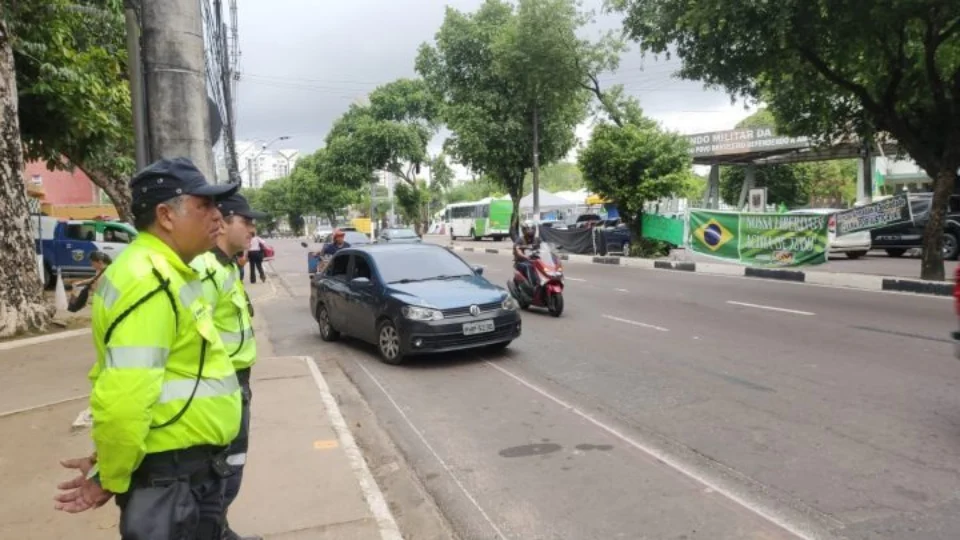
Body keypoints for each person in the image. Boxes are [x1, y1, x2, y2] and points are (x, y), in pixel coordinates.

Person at [54, 157, 242, 540]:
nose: (217, 218)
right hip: (170, 480)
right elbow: (125, 397)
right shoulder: (150, 281)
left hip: (185, 472)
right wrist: (110, 474)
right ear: (166, 216)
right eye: (203, 206)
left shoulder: (166, 270)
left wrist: (109, 462)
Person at [190, 194, 266, 540]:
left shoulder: (226, 266)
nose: (253, 229)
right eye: (247, 222)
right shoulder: (205, 269)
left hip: (235, 386)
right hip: (220, 387)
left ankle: (220, 529)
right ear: (224, 221)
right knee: (220, 470)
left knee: (230, 469)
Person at [513, 220, 541, 293]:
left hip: (535, 260)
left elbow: (544, 247)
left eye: (532, 229)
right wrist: (524, 256)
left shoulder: (537, 239)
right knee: (528, 266)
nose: (530, 231)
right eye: (528, 229)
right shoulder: (520, 240)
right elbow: (517, 250)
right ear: (524, 230)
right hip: (522, 261)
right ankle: (532, 286)